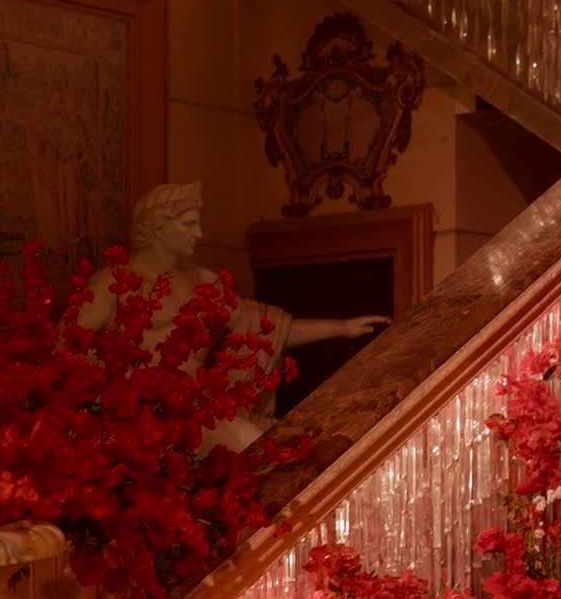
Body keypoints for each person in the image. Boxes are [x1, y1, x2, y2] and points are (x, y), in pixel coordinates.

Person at [73, 181, 390, 453]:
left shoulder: (202, 282)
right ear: (157, 227)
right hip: (139, 419)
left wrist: (342, 328)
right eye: (188, 224)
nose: (198, 233)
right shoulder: (112, 284)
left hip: (199, 411)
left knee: (293, 443)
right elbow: (68, 351)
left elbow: (266, 328)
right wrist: (114, 391)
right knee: (255, 444)